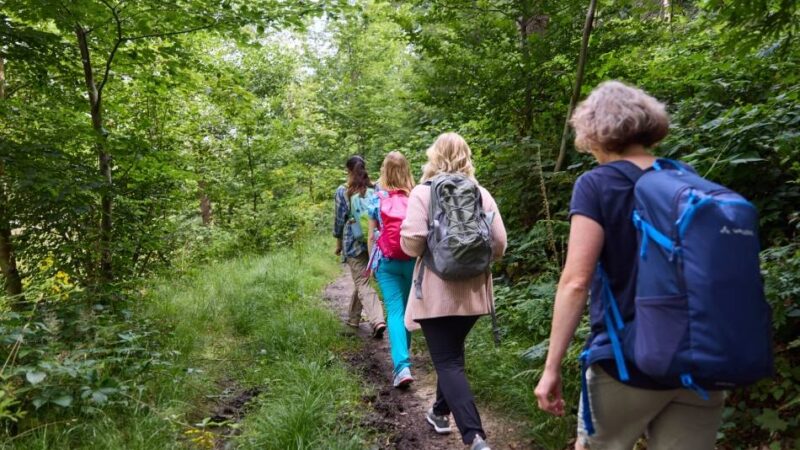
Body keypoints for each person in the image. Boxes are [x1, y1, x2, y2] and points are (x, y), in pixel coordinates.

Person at [534, 81, 725, 449]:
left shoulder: (596, 185)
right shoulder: (688, 179)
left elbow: (575, 281)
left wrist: (551, 367)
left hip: (625, 360)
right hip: (698, 359)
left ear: (591, 132)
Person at [401, 133, 507, 450]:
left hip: (435, 294)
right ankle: (438, 411)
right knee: (452, 354)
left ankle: (475, 437)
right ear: (467, 157)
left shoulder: (423, 193)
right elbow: (500, 244)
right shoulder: (481, 193)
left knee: (448, 362)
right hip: (475, 295)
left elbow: (411, 243)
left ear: (434, 157)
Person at [366, 151, 417, 389]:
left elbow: (371, 236)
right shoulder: (416, 196)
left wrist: (372, 264)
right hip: (412, 260)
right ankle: (404, 360)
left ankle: (402, 366)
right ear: (406, 170)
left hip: (387, 262)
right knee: (407, 311)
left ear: (384, 171)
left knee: (395, 312)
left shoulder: (376, 198)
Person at [333, 155, 386, 338]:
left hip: (353, 242)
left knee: (362, 282)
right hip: (375, 241)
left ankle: (377, 320)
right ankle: (353, 320)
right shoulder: (375, 187)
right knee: (361, 280)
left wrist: (339, 244)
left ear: (348, 171)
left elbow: (340, 221)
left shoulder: (343, 191)